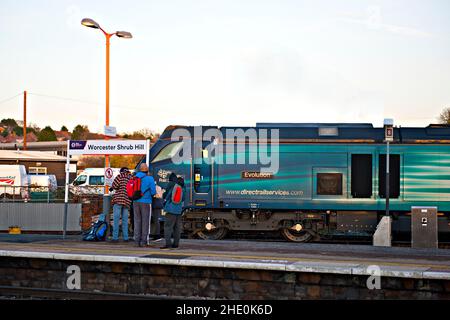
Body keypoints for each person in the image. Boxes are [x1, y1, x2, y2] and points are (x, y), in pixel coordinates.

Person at [133, 163, 156, 247]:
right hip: (146, 202)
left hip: (135, 201)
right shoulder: (150, 178)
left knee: (137, 221)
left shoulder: (135, 177)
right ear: (147, 170)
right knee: (145, 222)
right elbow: (153, 192)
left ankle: (136, 242)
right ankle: (143, 242)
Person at [161, 175, 186, 250]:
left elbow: (167, 196)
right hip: (179, 210)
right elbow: (183, 199)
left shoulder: (174, 187)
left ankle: (168, 244)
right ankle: (176, 244)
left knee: (168, 227)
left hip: (171, 210)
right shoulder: (183, 189)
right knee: (177, 228)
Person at [110, 167, 132, 242]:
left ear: (121, 171)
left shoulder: (119, 176)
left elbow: (114, 186)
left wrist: (112, 188)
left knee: (116, 220)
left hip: (118, 200)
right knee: (125, 221)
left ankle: (115, 238)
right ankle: (125, 237)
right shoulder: (130, 177)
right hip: (126, 201)